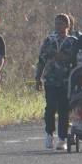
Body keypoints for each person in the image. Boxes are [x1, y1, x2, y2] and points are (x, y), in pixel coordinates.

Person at [34, 13, 77, 150]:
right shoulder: (49, 40)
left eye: (61, 23)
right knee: (50, 107)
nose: (58, 26)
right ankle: (49, 133)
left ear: (67, 25)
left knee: (64, 109)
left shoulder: (72, 41)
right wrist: (38, 77)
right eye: (56, 23)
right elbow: (41, 59)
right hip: (51, 79)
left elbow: (75, 59)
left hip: (66, 80)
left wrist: (63, 57)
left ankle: (63, 137)